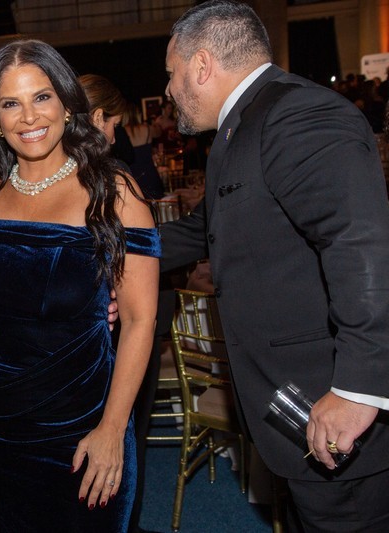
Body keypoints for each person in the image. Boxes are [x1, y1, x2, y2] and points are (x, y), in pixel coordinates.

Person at [159, 1, 389, 530]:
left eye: (171, 73)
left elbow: (363, 247)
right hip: (294, 399)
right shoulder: (241, 126)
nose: (168, 90)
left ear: (201, 65)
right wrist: (107, 246)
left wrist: (356, 390)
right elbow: (202, 229)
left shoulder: (296, 114)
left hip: (335, 404)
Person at [0, 39, 160, 531]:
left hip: (83, 426)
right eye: (11, 103)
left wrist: (113, 428)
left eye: (42, 97)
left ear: (68, 105)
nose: (29, 117)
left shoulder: (114, 191)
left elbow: (140, 320)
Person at [123, 101, 164, 200]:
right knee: (156, 204)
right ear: (138, 114)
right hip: (149, 174)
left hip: (132, 177)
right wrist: (156, 123)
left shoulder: (121, 132)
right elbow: (159, 132)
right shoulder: (147, 128)